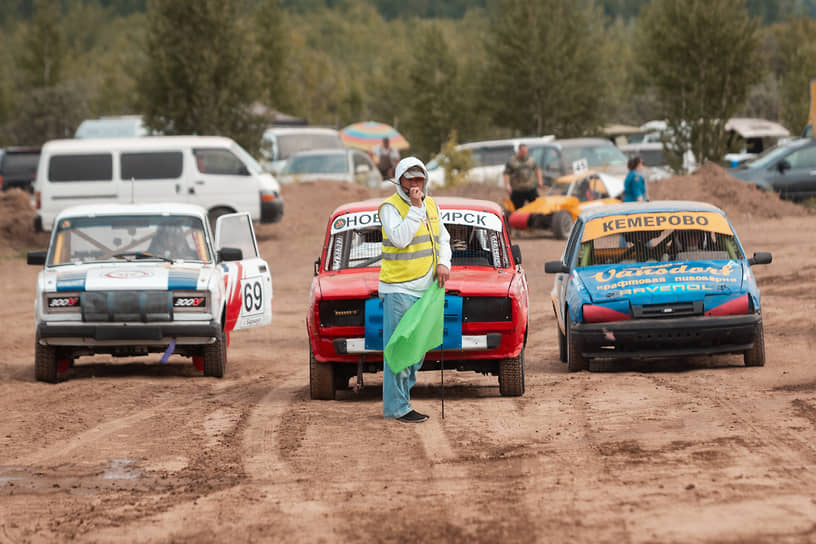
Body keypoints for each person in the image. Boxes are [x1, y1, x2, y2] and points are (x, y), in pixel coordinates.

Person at [379, 156, 451, 423]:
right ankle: (397, 407)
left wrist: (444, 263)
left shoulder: (431, 204)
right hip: (398, 289)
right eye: (409, 179)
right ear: (400, 181)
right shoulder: (390, 207)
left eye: (419, 179)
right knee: (400, 348)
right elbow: (399, 239)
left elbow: (443, 238)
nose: (415, 184)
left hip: (427, 289)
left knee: (417, 351)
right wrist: (415, 207)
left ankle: (402, 399)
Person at [503, 144, 543, 210]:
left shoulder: (531, 160)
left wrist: (540, 181)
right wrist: (508, 186)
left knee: (538, 207)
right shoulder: (512, 161)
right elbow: (506, 174)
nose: (525, 153)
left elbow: (538, 169)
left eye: (526, 152)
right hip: (518, 190)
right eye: (523, 152)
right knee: (516, 209)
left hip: (530, 188)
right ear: (519, 151)